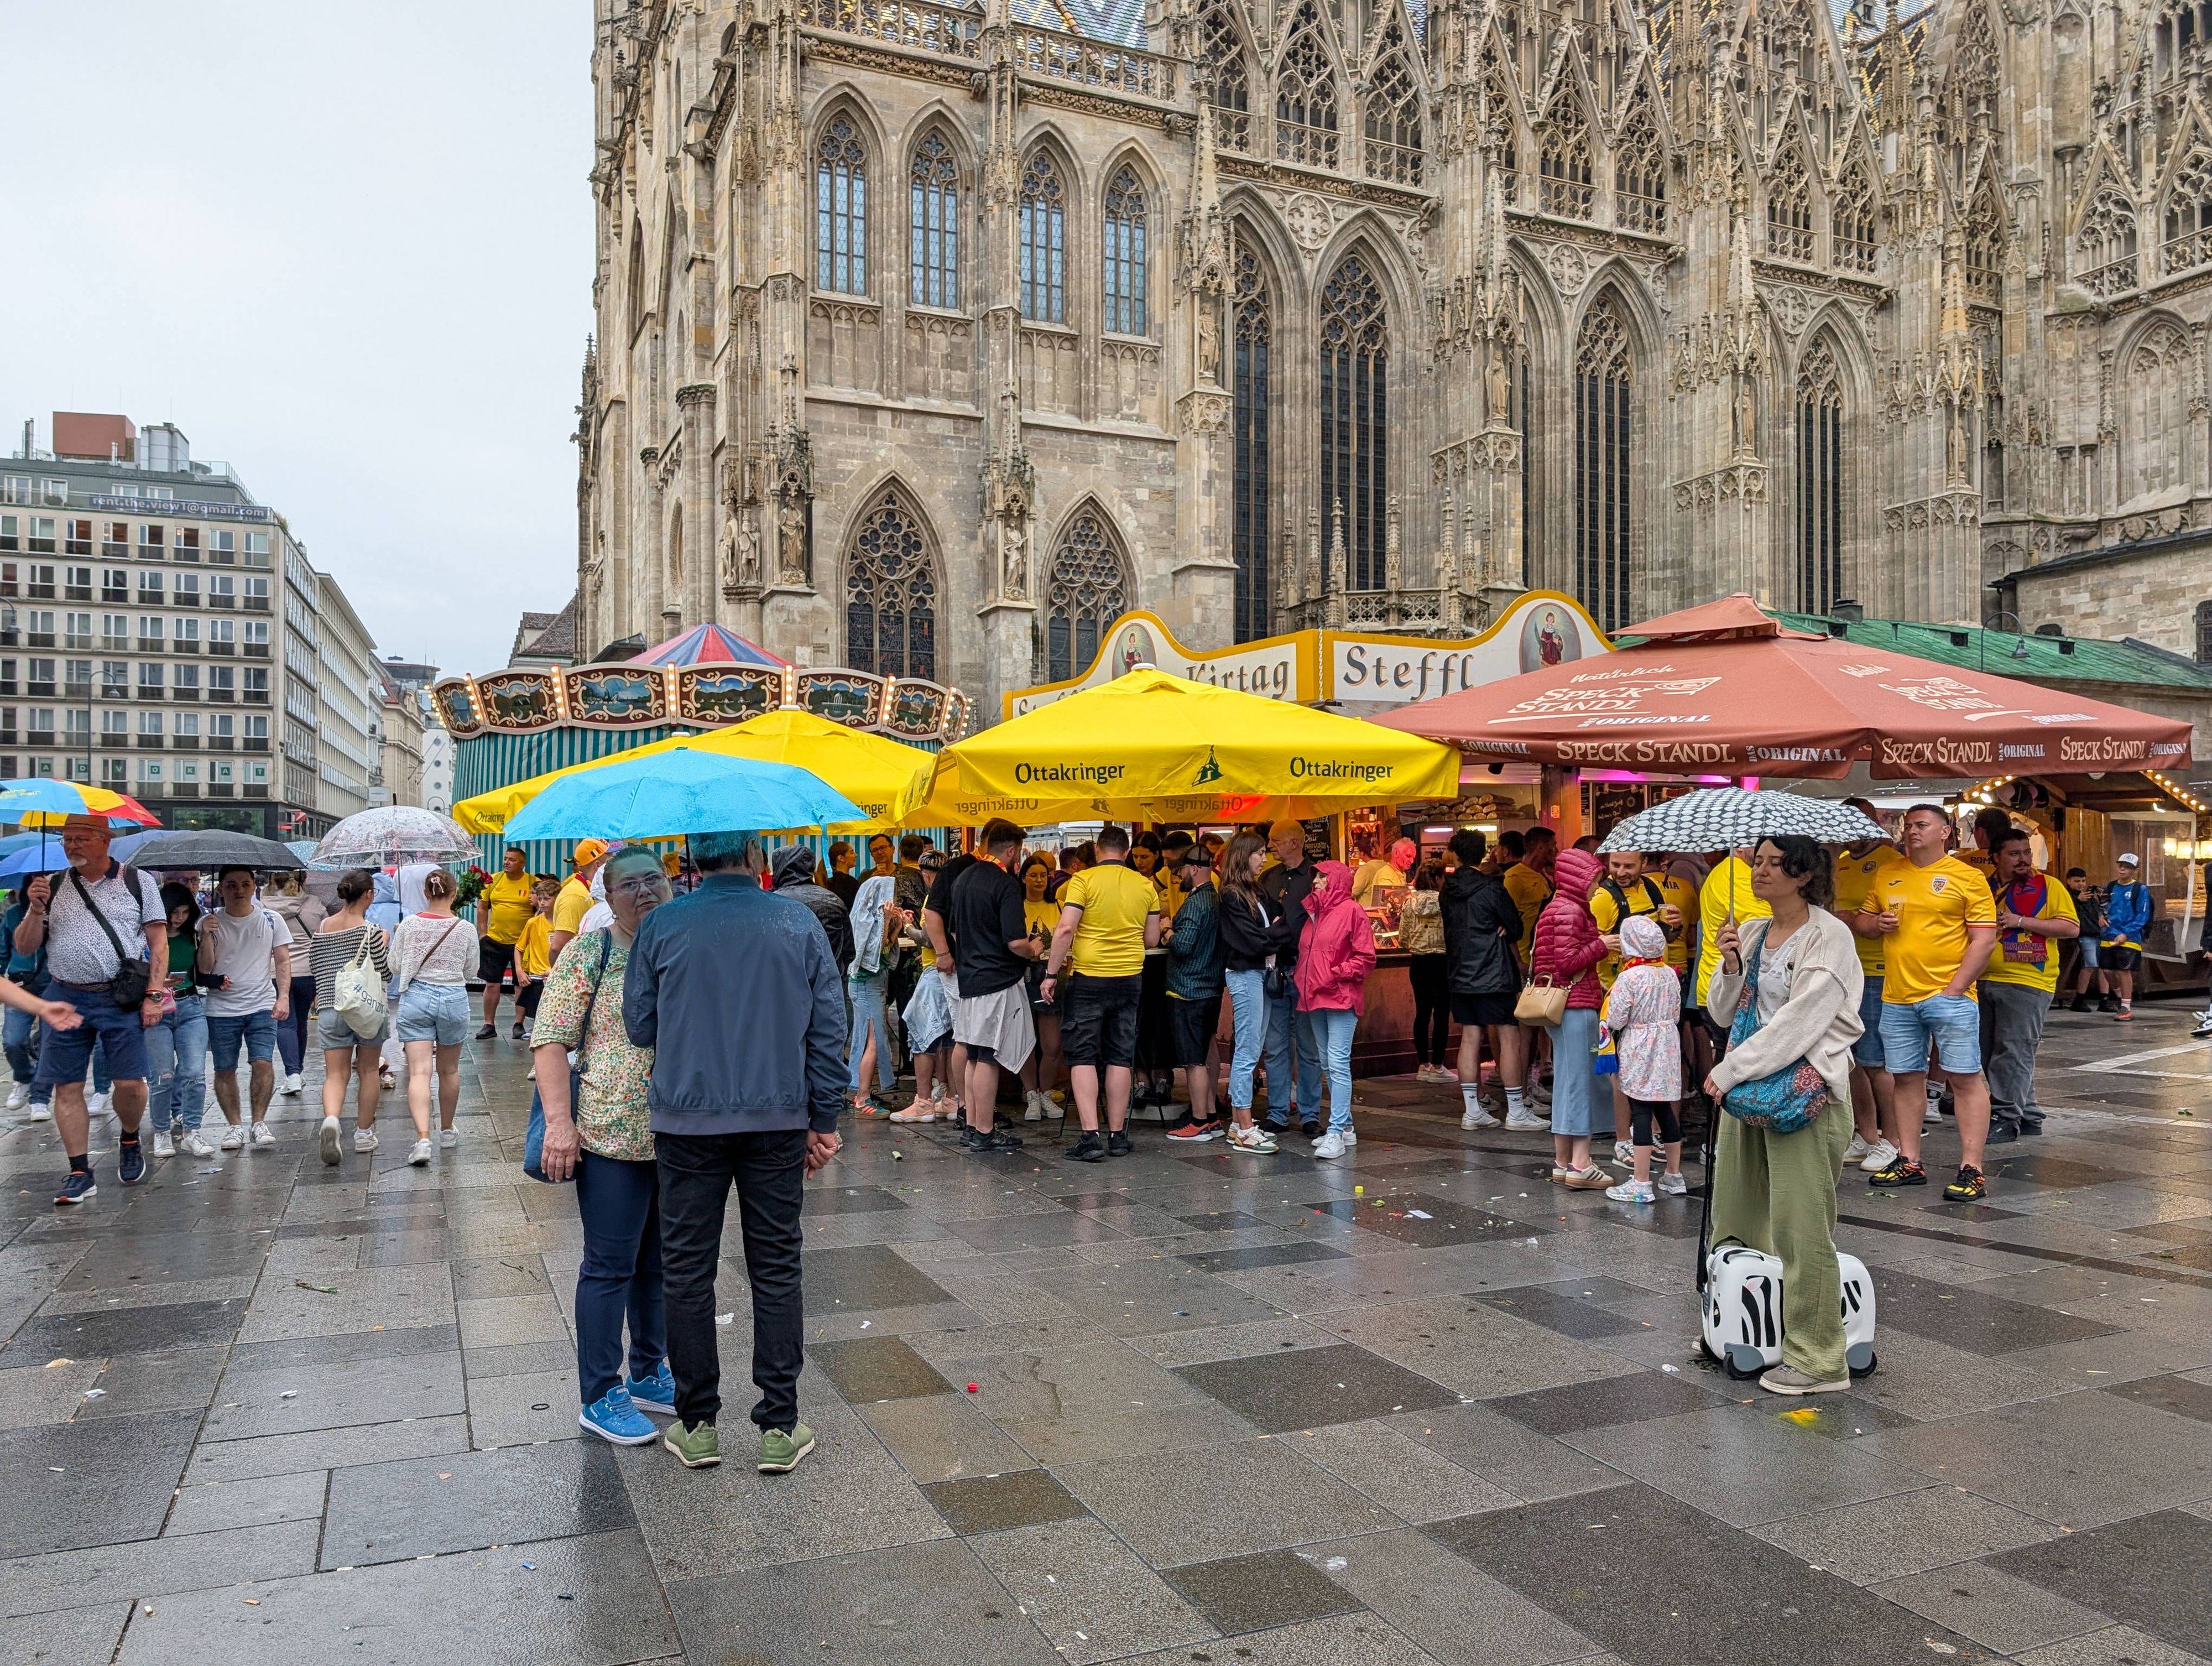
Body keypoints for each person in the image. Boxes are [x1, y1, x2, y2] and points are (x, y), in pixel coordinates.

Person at [622, 827, 846, 1475]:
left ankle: (697, 1425)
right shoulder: (797, 923)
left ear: (691, 860)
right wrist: (822, 1116)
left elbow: (641, 1027)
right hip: (777, 1116)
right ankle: (780, 1425)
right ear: (755, 857)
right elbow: (828, 1027)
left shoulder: (662, 925)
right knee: (776, 1265)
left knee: (688, 1269)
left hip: (685, 1120)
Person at [1704, 834, 1865, 1396]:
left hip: (1802, 1094)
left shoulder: (1829, 936)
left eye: (1775, 864)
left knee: (1801, 1229)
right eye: (1757, 861)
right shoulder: (1750, 933)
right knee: (1736, 1215)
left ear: (1803, 875)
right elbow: (1723, 1013)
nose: (1759, 872)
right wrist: (1728, 964)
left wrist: (1726, 1073)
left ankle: (1819, 1358)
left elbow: (1801, 1024)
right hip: (1749, 1089)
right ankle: (1735, 1330)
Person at [533, 846, 676, 1445]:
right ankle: (599, 1391)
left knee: (661, 1264)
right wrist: (561, 1126)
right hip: (609, 1131)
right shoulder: (589, 954)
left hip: (679, 1131)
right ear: (606, 896)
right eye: (629, 885)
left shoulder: (682, 945)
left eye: (655, 880)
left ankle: (649, 1369)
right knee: (610, 1265)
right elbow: (549, 1041)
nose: (644, 892)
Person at [12, 814, 164, 1204]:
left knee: (130, 1084)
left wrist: (154, 995)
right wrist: (35, 910)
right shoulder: (54, 885)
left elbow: (158, 944)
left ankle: (129, 1137)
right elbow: (26, 948)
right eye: (67, 839)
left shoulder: (137, 882)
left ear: (104, 841)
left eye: (81, 838)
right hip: (66, 996)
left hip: (120, 997)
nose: (72, 846)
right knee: (68, 1085)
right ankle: (80, 1170)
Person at [1856, 803, 2001, 1200]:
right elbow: (1864, 924)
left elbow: (1984, 939)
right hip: (1897, 995)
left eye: (1921, 825)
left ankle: (1972, 1167)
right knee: (1905, 1078)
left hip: (1949, 996)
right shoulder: (1888, 874)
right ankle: (1910, 1159)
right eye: (1908, 826)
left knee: (1965, 1079)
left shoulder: (1968, 877)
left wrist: (1955, 988)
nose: (1912, 832)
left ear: (1945, 833)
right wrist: (1876, 923)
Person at [1040, 824, 1162, 1163]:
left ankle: (1091, 1136)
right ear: (1125, 853)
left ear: (1097, 852)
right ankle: (1118, 1136)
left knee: (1082, 1055)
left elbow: (1065, 928)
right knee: (1120, 1055)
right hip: (1129, 978)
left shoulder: (1083, 881)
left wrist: (1051, 974)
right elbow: (1151, 940)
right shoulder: (1145, 885)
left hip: (1089, 978)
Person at [1980, 827, 2078, 1141]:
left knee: (2012, 1050)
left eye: (2026, 852)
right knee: (1990, 1052)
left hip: (2028, 979)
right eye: (2014, 854)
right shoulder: (1984, 886)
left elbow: (2070, 928)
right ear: (1996, 857)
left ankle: (2007, 1117)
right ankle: (2030, 1114)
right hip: (1982, 977)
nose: (2023, 859)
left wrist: (2020, 921)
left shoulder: (2048, 885)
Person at [949, 819, 1040, 1154]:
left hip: (970, 978)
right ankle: (985, 1131)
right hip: (998, 980)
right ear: (1012, 850)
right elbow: (1016, 941)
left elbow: (955, 933)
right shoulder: (1005, 885)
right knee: (988, 1055)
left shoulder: (963, 879)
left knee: (974, 1053)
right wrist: (1034, 949)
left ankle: (973, 1125)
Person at [1440, 829, 1535, 1131]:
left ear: (1455, 853)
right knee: (1509, 1036)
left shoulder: (1447, 890)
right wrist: (1504, 926)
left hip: (1459, 972)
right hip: (1494, 972)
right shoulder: (1492, 888)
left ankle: (1472, 1111)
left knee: (1470, 1037)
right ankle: (1517, 1111)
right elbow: (1516, 928)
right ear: (1483, 853)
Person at [1531, 845, 1613, 1189]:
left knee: (1566, 1084)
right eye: (1594, 880)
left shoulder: (1555, 908)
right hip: (1576, 1005)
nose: (1597, 888)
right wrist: (1603, 944)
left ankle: (1563, 1161)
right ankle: (1581, 1164)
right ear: (1578, 880)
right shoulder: (1573, 912)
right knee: (1580, 1084)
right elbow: (1568, 963)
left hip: (1560, 1008)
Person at [199, 867, 293, 1152]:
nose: (238, 890)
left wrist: (284, 997)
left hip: (261, 1003)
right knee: (224, 1069)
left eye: (245, 884)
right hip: (221, 1008)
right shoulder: (209, 922)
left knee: (262, 1062)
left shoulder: (272, 919)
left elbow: (283, 961)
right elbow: (204, 968)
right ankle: (234, 1126)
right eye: (231, 885)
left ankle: (259, 1122)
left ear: (255, 887)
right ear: (220, 889)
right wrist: (205, 935)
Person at [1832, 810, 1902, 1176]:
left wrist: (1855, 919)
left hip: (1878, 969)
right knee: (1854, 1059)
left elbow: (1890, 916)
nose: (1849, 834)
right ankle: (1867, 1133)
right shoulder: (1842, 863)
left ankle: (1893, 1140)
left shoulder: (1892, 862)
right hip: (1846, 969)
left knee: (1876, 1061)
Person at [394, 867, 478, 1167]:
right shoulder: (466, 928)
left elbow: (395, 966)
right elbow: (471, 971)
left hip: (417, 997)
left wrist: (400, 937)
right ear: (454, 893)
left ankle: (422, 1138)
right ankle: (446, 1129)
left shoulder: (409, 924)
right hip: (454, 998)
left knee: (419, 1072)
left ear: (427, 893)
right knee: (449, 1070)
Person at [307, 868, 392, 1164]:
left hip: (331, 1008)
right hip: (366, 1009)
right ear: (369, 894)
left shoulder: (322, 927)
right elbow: (384, 972)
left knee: (335, 1074)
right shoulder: (371, 931)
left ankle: (331, 1119)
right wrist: (385, 941)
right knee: (368, 1071)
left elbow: (314, 965)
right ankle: (364, 1134)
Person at [1295, 859, 1376, 1159]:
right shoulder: (1313, 913)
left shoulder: (1352, 911)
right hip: (1316, 996)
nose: (1315, 882)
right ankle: (1346, 1128)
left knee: (1338, 1062)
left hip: (1339, 996)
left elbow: (1366, 957)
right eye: (1315, 877)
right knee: (1329, 1063)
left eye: (1322, 878)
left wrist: (1334, 973)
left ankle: (1336, 1131)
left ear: (1336, 881)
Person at [1602, 914, 1686, 1202]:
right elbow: (1676, 1013)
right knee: (1664, 1110)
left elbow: (1616, 1018)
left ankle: (1640, 1183)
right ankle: (1674, 1176)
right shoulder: (1670, 973)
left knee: (1640, 1109)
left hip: (1640, 1045)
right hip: (1667, 1044)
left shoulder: (1629, 977)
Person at [1214, 831, 1285, 1154]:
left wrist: (1268, 935)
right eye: (1259, 853)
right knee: (1247, 1048)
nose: (1264, 859)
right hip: (1245, 974)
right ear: (1244, 856)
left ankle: (1237, 1122)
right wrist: (1272, 936)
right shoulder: (1231, 895)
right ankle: (1244, 1125)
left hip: (1261, 971)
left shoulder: (1255, 891)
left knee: (1254, 1046)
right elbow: (1249, 939)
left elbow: (1279, 926)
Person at [1256, 818, 1322, 1137]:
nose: (1270, 846)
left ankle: (1310, 1114)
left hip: (1307, 971)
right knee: (1276, 1046)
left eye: (1275, 840)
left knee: (1308, 1047)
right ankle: (1278, 1112)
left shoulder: (1317, 878)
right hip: (1274, 970)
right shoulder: (1268, 878)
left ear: (1294, 842)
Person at [1161, 842, 1226, 1142]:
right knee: (1205, 1050)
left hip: (1189, 989)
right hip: (1211, 988)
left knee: (1193, 1060)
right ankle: (1211, 1116)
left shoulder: (1195, 903)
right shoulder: (1214, 898)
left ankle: (1199, 1121)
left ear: (1195, 869)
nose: (1179, 876)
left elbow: (1183, 947)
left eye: (1182, 870)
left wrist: (1167, 930)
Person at [146, 882, 213, 1160]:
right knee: (162, 1076)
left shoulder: (192, 934)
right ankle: (161, 1133)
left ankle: (192, 1131)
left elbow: (206, 968)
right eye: (174, 912)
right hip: (157, 1007)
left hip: (190, 1004)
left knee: (195, 1072)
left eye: (186, 912)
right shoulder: (146, 937)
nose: (179, 918)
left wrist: (207, 935)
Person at [264, 870, 325, 1095]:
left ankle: (293, 1075)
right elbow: (323, 934)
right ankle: (296, 1072)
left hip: (274, 973)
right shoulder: (314, 904)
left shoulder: (263, 906)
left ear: (272, 880)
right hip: (308, 973)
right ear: (303, 881)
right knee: (301, 1023)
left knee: (285, 1023)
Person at [848, 872, 904, 1115]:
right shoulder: (865, 922)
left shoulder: (874, 920)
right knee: (871, 1040)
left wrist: (896, 926)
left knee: (875, 1039)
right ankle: (862, 1096)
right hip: (865, 986)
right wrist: (887, 919)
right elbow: (872, 956)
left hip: (874, 987)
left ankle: (865, 1093)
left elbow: (886, 952)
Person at [1128, 832, 1176, 1110]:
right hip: (1139, 960)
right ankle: (1142, 1079)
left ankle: (1162, 1077)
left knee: (1161, 1021)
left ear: (1157, 855)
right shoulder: (1132, 880)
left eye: (1145, 856)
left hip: (1163, 961)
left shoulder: (1170, 877)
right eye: (1136, 856)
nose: (1140, 861)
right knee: (1139, 1020)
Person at [1018, 852, 1065, 1123]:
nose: (1039, 879)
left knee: (1052, 1043)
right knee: (1025, 1041)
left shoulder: (1058, 905)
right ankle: (1030, 1095)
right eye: (1033, 875)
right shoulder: (1015, 906)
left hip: (1052, 976)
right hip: (1023, 977)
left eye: (1044, 875)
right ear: (1023, 878)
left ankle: (1046, 1093)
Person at [476, 847, 538, 1041]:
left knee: (521, 984)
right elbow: (482, 906)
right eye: (505, 859)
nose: (507, 862)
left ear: (523, 864)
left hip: (521, 943)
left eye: (512, 860)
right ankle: (489, 1024)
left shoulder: (533, 882)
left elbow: (541, 909)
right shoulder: (493, 881)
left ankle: (518, 1024)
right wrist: (483, 934)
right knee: (492, 983)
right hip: (494, 940)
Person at [1400, 857, 1451, 1084]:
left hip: (1418, 962)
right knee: (1441, 1014)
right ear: (1439, 878)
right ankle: (1439, 1066)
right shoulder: (1447, 901)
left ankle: (1423, 1064)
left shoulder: (1409, 903)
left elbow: (1402, 938)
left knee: (1422, 1013)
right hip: (1442, 961)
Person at [769, 844, 854, 977]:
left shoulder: (771, 904)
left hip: (785, 985)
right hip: (830, 984)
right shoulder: (833, 901)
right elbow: (849, 952)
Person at [2100, 852, 2151, 1021]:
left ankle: (2126, 1007)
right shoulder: (2110, 887)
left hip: (2130, 936)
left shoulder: (2140, 889)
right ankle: (2120, 994)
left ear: (2135, 870)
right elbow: (2103, 906)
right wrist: (2100, 917)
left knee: (2124, 971)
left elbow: (2143, 915)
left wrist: (2127, 933)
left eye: (2128, 867)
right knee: (2107, 970)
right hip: (2109, 934)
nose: (2123, 869)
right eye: (2121, 865)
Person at [549, 839, 613, 963]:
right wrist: (559, 977)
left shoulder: (588, 891)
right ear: (598, 865)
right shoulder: (575, 895)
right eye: (610, 861)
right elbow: (558, 947)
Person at [514, 878, 557, 1040]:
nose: (542, 903)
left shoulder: (564, 923)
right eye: (540, 899)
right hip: (537, 976)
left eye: (547, 899)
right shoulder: (533, 923)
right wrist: (519, 971)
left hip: (555, 975)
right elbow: (519, 948)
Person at [2063, 868, 2109, 1016]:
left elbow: (2097, 910)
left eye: (2083, 881)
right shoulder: (2066, 896)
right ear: (2069, 881)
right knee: (2090, 965)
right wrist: (2077, 901)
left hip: (2096, 933)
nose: (2081, 884)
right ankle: (2080, 998)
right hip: (2084, 934)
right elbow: (2065, 913)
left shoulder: (2090, 897)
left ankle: (2104, 999)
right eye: (2077, 881)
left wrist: (2100, 917)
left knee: (2102, 967)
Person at [823, 840, 861, 911]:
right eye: (852, 852)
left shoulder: (827, 879)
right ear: (841, 858)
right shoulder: (848, 882)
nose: (856, 855)